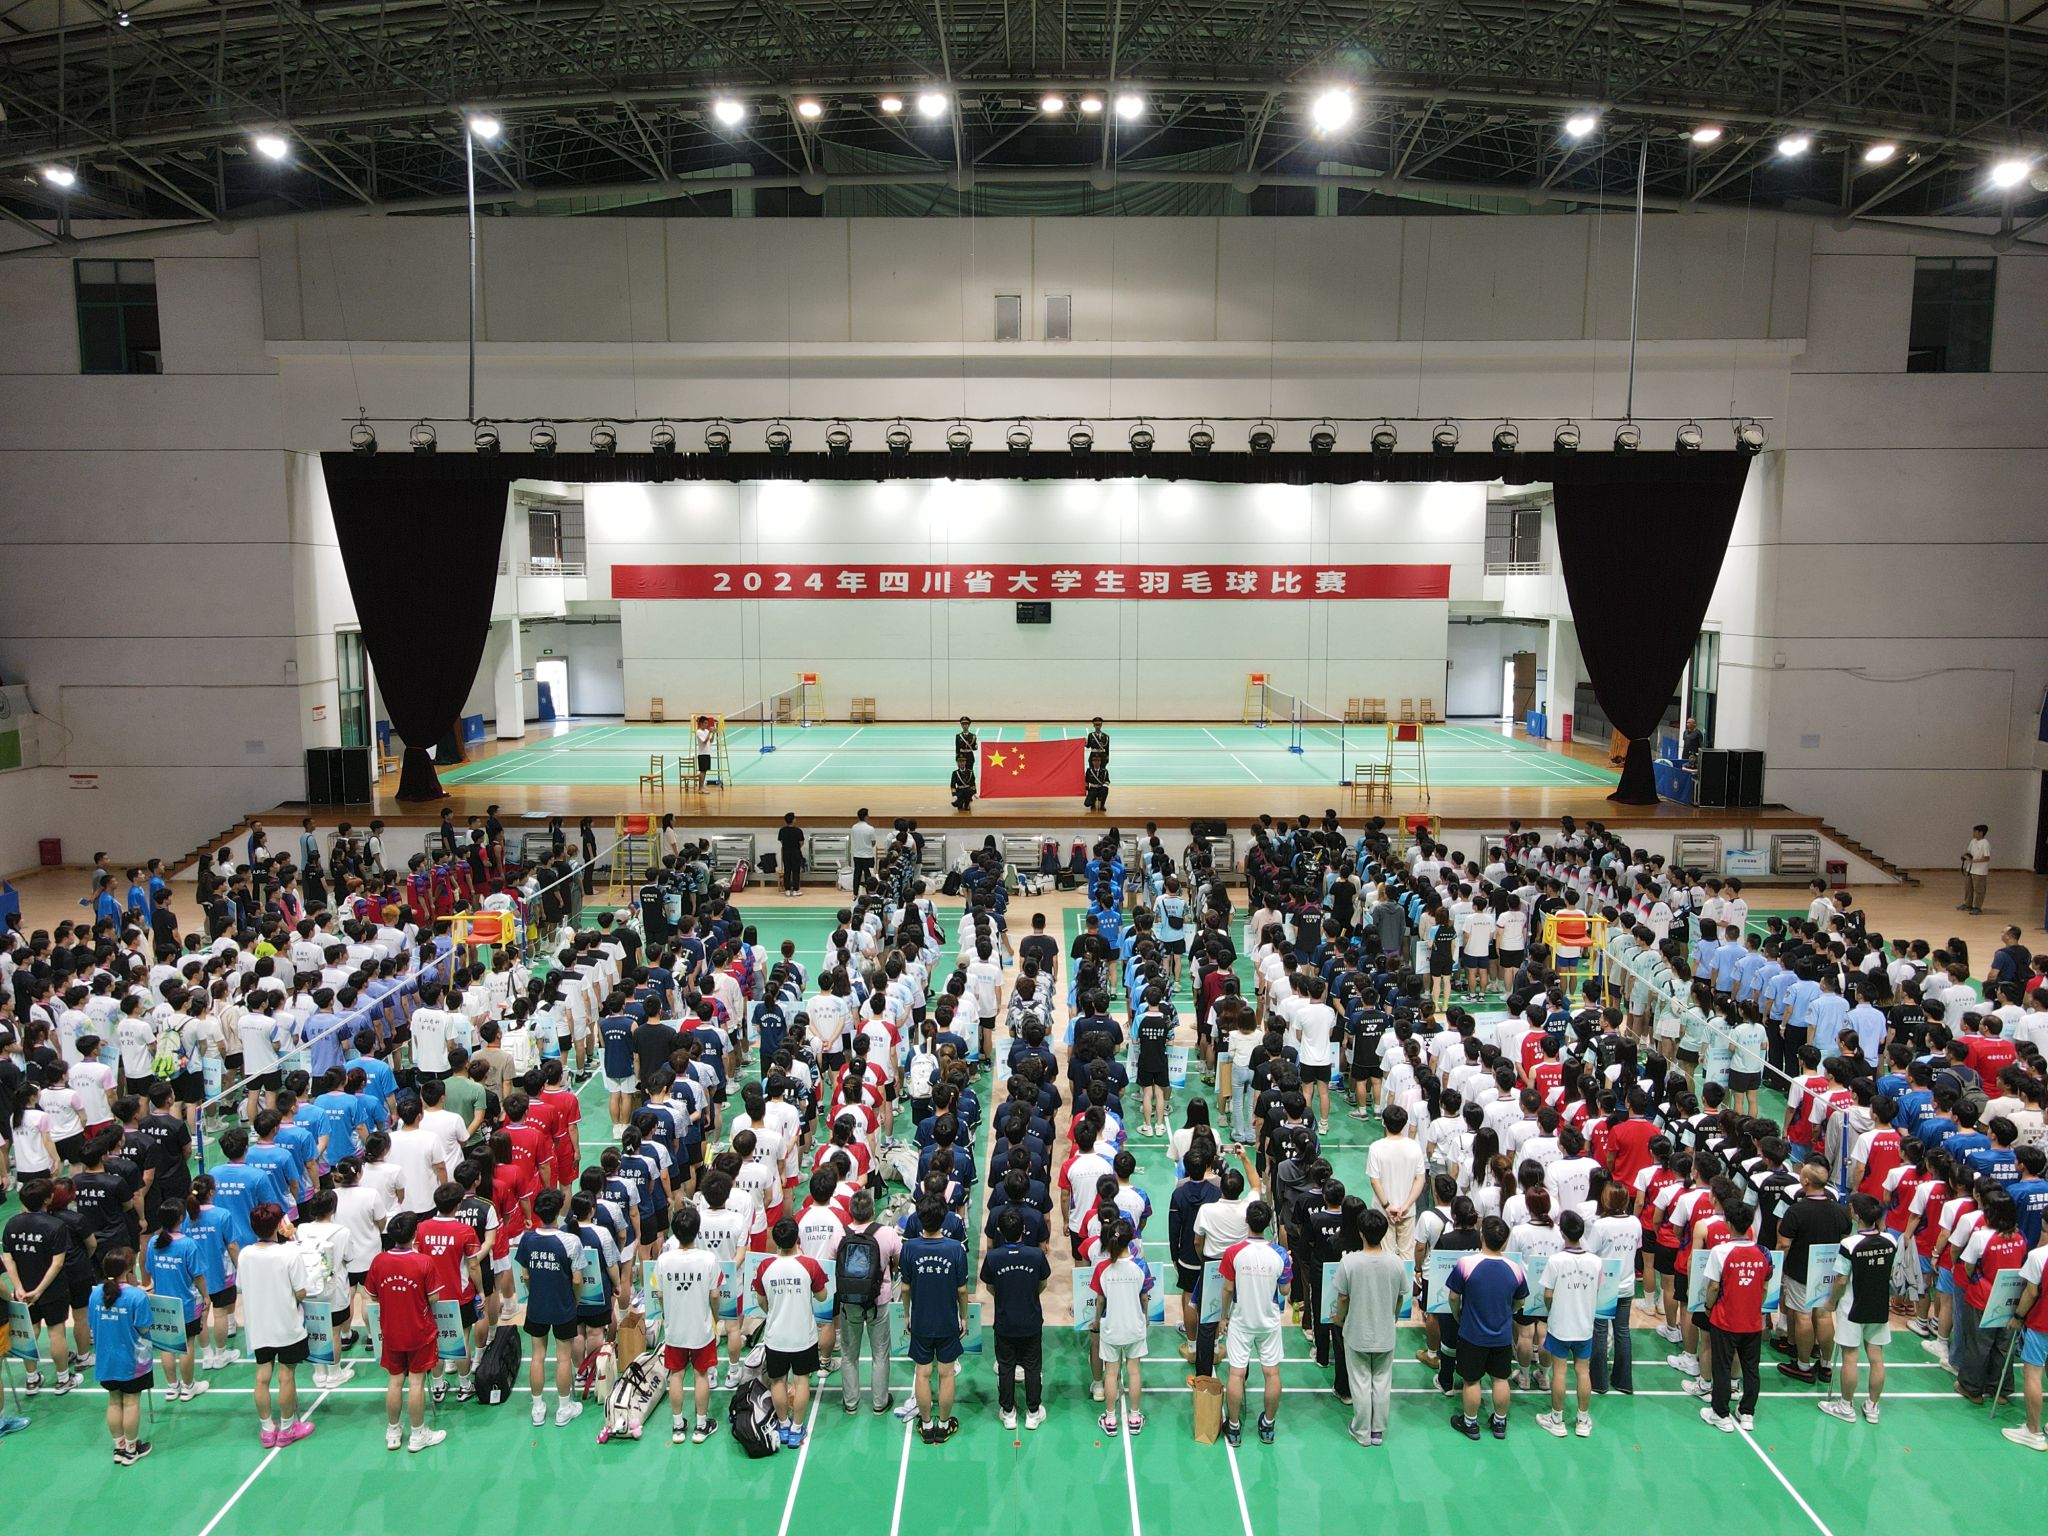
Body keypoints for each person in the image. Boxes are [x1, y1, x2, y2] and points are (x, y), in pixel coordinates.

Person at [364, 1211, 449, 1452]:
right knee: (416, 1382)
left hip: (391, 1331)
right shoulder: (424, 1262)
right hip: (419, 1332)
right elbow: (434, 1297)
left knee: (394, 1381)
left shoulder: (379, 1261)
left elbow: (372, 1295)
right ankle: (418, 1434)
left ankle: (393, 1432)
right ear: (414, 1235)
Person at [238, 1202, 316, 1448]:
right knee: (286, 1376)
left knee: (262, 1376)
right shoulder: (289, 1254)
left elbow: (241, 1286)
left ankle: (267, 1429)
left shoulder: (245, 1254)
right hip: (287, 1325)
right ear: (278, 1226)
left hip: (258, 1326)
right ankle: (287, 1428)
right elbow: (301, 1291)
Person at [1446, 1215, 1527, 1440]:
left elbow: (1453, 1296)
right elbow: (1520, 1301)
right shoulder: (1515, 1268)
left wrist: (1457, 1315)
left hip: (1472, 1335)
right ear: (1505, 1242)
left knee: (1472, 1380)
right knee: (1500, 1379)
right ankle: (1499, 1423)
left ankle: (1470, 1423)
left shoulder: (1466, 1264)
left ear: (1482, 1236)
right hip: (1501, 1337)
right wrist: (1507, 1312)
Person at [1330, 1202, 1405, 1447]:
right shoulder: (1396, 1262)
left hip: (1357, 1332)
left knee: (1361, 1382)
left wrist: (1339, 1318)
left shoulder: (1350, 1262)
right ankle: (1377, 1431)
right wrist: (1393, 1316)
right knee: (1382, 1382)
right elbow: (1401, 1297)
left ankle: (1361, 1430)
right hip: (1385, 1332)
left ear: (1361, 1233)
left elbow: (1343, 1298)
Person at [1218, 1198, 1291, 1446]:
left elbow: (1228, 1289)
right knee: (1272, 1373)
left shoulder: (1233, 1252)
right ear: (1268, 1223)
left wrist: (1223, 1317)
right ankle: (1268, 1425)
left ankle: (1234, 1427)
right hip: (1268, 1322)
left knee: (1236, 1374)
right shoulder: (1280, 1254)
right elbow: (1285, 1290)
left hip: (1241, 1321)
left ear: (1247, 1221)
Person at [1819, 1192, 1896, 1426]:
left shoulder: (1849, 1244)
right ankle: (1872, 1407)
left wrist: (1831, 1302)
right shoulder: (1891, 1241)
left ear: (1856, 1215)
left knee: (1850, 1357)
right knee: (1876, 1358)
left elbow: (1841, 1280)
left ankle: (1845, 1406)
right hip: (1879, 1305)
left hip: (1852, 1307)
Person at [514, 1187, 586, 1427]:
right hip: (563, 1305)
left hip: (537, 1306)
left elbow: (525, 1275)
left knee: (537, 1356)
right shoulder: (570, 1241)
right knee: (563, 1358)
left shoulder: (527, 1239)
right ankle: (564, 1408)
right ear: (558, 1211)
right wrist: (575, 1300)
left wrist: (535, 1292)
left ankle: (537, 1408)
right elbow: (577, 1280)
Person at [901, 1196, 970, 1444]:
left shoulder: (909, 1248)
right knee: (946, 1373)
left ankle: (927, 1425)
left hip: (921, 1320)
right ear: (944, 1218)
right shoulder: (955, 1249)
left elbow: (905, 1288)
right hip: (947, 1321)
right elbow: (962, 1290)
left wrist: (907, 1315)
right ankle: (943, 1425)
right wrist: (964, 1317)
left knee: (922, 1373)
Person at [1699, 1200, 1772, 1432]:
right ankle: (1747, 1412)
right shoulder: (1764, 1253)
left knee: (1722, 1367)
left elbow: (1713, 1287)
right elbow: (1764, 1287)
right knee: (1751, 1368)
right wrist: (1755, 1307)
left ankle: (1720, 1414)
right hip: (1753, 1321)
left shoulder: (1720, 1252)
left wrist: (1708, 1307)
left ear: (1728, 1224)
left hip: (1725, 1320)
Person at [653, 1206, 724, 1445]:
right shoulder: (709, 1259)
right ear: (697, 1231)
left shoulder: (663, 1260)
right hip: (701, 1329)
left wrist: (669, 1314)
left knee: (676, 1374)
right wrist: (715, 1318)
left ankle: (677, 1426)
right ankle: (701, 1426)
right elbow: (715, 1295)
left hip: (675, 1329)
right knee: (701, 1374)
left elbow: (659, 1294)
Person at [980, 1207, 1050, 1430]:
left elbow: (990, 1287)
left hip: (1004, 1322)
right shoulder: (1036, 1255)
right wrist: (1028, 1295)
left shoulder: (993, 1257)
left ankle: (1008, 1412)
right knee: (1032, 1367)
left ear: (1000, 1231)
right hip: (1031, 1321)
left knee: (1006, 1366)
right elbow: (1043, 1283)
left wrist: (1005, 1296)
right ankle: (1033, 1412)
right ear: (1024, 1229)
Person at [1535, 1210, 1603, 1439]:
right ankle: (1583, 1421)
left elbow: (1547, 1294)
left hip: (1561, 1326)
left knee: (1560, 1371)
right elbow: (1597, 1290)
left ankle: (1557, 1420)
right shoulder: (1596, 1262)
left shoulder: (1555, 1261)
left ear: (1562, 1233)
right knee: (1583, 1372)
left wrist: (1552, 1310)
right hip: (1584, 1327)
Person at [835, 1190, 902, 1417]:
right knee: (880, 1353)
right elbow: (898, 1260)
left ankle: (851, 1402)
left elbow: (833, 1262)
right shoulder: (888, 1234)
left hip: (849, 1302)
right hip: (879, 1301)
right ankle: (879, 1403)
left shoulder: (839, 1235)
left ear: (851, 1211)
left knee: (848, 1354)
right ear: (873, 1210)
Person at [88, 1247, 156, 1465]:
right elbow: (144, 1327)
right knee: (131, 1402)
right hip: (132, 1360)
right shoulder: (137, 1296)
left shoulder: (95, 1294)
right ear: (129, 1269)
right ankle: (131, 1449)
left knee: (114, 1400)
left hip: (106, 1359)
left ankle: (119, 1448)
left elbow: (91, 1323)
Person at [1089, 1217, 1154, 1436]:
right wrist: (1145, 1317)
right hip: (1134, 1326)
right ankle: (1134, 1418)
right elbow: (1144, 1297)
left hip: (1111, 1328)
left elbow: (1100, 1300)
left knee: (1111, 1373)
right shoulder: (1141, 1265)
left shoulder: (1102, 1268)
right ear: (1131, 1239)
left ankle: (1110, 1419)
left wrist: (1096, 1321)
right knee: (1134, 1371)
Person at [1366, 1104, 1426, 1259]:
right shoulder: (1414, 1147)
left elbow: (1374, 1181)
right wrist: (1405, 1206)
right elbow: (1420, 1179)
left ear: (1384, 1123)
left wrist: (1387, 1206)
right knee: (1407, 1254)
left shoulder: (1376, 1148)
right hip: (1407, 1211)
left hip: (1382, 1212)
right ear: (1404, 1124)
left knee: (1385, 1255)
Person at [1959, 823, 1991, 915]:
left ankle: (1977, 907)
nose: (1973, 833)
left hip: (1980, 871)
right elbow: (1969, 852)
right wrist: (1964, 856)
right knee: (1968, 888)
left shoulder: (1985, 843)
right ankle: (1967, 904)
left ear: (1981, 833)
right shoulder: (1973, 841)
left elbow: (1987, 858)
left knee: (1979, 890)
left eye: (1975, 832)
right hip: (1970, 869)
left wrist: (1974, 861)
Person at [849, 809, 878, 895]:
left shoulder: (854, 827)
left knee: (857, 875)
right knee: (868, 876)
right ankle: (869, 893)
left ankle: (855, 894)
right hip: (868, 856)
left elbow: (854, 838)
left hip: (857, 855)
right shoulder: (870, 828)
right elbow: (873, 842)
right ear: (866, 817)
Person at [776, 813, 806, 897]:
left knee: (787, 871)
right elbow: (801, 842)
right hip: (796, 852)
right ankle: (796, 890)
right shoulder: (798, 830)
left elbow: (781, 841)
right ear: (793, 820)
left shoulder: (782, 830)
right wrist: (796, 847)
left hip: (786, 852)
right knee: (796, 871)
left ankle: (787, 890)